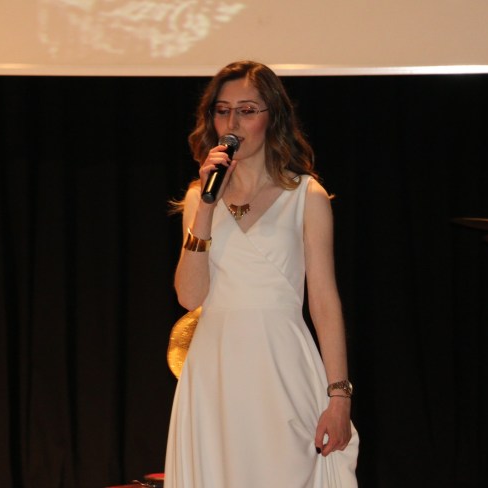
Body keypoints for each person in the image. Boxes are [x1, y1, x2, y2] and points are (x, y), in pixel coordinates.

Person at [165, 60, 359, 487]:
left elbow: (324, 301)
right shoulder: (199, 197)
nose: (232, 123)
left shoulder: (306, 195)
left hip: (281, 364)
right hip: (215, 371)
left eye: (247, 110)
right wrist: (207, 208)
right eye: (223, 110)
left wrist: (339, 396)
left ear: (273, 117)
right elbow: (189, 296)